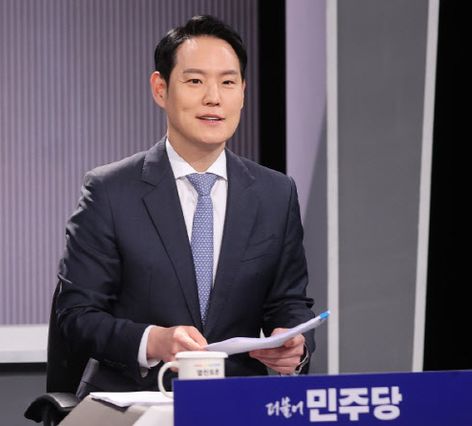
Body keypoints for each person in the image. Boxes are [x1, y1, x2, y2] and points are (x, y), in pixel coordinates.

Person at [55, 15, 315, 397]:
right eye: (195, 81)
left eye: (228, 82)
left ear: (243, 92)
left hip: (236, 402)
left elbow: (289, 302)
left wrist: (294, 344)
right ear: (160, 89)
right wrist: (153, 340)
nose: (214, 97)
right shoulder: (109, 191)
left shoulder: (276, 193)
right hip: (135, 401)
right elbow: (76, 317)